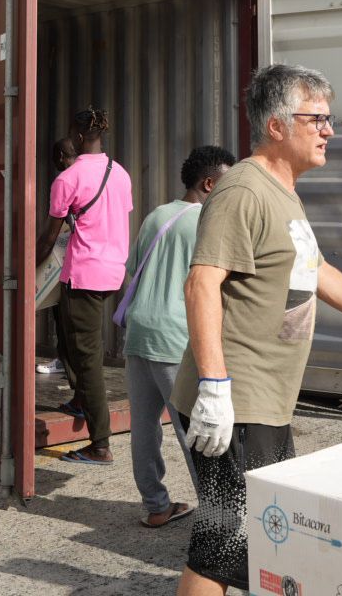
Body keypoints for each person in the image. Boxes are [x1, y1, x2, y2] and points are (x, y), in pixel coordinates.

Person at [169, 64, 342, 596]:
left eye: (329, 118)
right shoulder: (242, 191)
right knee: (225, 545)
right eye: (316, 118)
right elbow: (201, 284)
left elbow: (314, 269)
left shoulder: (284, 192)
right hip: (235, 402)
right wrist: (213, 387)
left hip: (264, 403)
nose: (329, 130)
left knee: (256, 538)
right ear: (277, 126)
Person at [123, 144, 235, 529]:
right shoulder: (208, 222)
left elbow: (133, 270)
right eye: (227, 183)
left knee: (144, 427)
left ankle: (156, 506)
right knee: (197, 430)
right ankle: (217, 515)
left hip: (140, 333)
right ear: (209, 183)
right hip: (176, 338)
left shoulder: (157, 216)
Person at [37, 108, 133, 465]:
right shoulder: (120, 174)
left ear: (77, 137)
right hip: (111, 273)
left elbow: (48, 239)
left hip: (84, 275)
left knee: (88, 358)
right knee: (71, 337)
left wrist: (23, 271)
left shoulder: (68, 178)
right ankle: (79, 400)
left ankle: (100, 444)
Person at [37, 138, 79, 377]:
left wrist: (29, 269)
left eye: (55, 157)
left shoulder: (65, 181)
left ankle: (68, 365)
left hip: (72, 263)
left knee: (64, 316)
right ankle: (65, 361)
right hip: (98, 263)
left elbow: (50, 236)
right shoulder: (98, 176)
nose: (54, 163)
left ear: (62, 156)